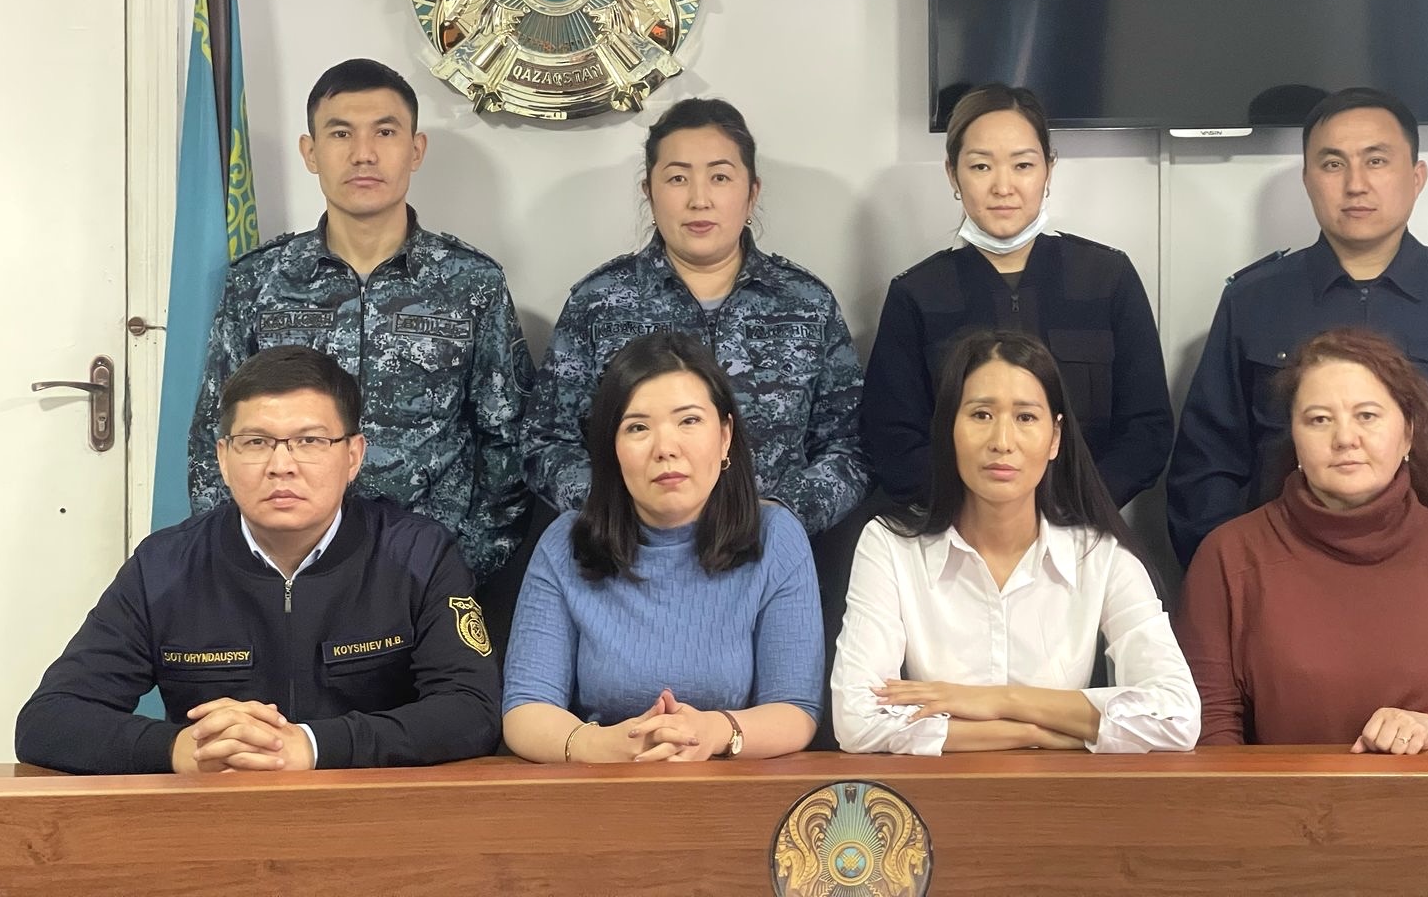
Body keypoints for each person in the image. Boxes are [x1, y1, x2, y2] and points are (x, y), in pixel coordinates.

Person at [1166, 87, 1428, 677]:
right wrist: (1224, 594)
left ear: (1417, 176)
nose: (1355, 183)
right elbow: (1205, 466)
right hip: (1284, 611)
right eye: (1333, 164)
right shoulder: (1254, 301)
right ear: (1308, 179)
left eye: (1376, 160)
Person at [16, 347, 501, 774]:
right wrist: (181, 749)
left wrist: (312, 746)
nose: (281, 465)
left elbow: (472, 710)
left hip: (372, 817)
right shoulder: (164, 566)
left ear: (353, 456)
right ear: (223, 459)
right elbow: (49, 720)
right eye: (256, 442)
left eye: (310, 441)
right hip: (215, 818)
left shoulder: (419, 555)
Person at [187, 58, 534, 594]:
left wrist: (459, 566)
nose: (363, 153)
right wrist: (248, 566)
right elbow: (216, 433)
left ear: (415, 150)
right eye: (341, 133)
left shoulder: (472, 283)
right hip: (285, 572)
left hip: (428, 569)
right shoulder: (259, 281)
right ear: (310, 152)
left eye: (385, 132)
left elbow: (506, 439)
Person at [831, 329, 1198, 755]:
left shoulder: (1099, 554)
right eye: (981, 415)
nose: (1002, 442)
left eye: (1025, 418)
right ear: (949, 429)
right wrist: (1033, 733)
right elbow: (857, 721)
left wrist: (1000, 700)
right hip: (936, 791)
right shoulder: (890, 546)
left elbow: (1178, 717)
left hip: (1058, 794)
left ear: (1055, 437)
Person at [1176, 328, 1428, 750]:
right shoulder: (1228, 557)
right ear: (1294, 437)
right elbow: (1209, 733)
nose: (1345, 439)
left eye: (1367, 416)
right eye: (1319, 419)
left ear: (1408, 433)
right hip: (1281, 794)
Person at [525, 97, 868, 535]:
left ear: (752, 193)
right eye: (677, 178)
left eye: (720, 177)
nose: (699, 199)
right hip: (631, 553)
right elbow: (546, 443)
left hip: (769, 552)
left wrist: (775, 517)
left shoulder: (806, 303)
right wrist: (626, 512)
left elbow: (850, 447)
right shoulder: (598, 303)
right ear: (649, 192)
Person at [502, 332, 822, 762]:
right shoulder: (566, 543)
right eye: (638, 427)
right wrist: (602, 745)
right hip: (600, 784)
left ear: (725, 436)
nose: (666, 449)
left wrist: (713, 732)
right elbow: (525, 709)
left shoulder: (776, 537)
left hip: (731, 785)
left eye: (689, 421)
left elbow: (796, 709)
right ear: (612, 449)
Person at [863, 83, 1172, 508]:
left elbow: (1147, 429)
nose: (1003, 186)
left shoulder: (1107, 277)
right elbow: (892, 442)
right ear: (953, 174)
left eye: (1023, 165)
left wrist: (1075, 509)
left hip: (1085, 522)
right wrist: (981, 514)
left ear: (1048, 170)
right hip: (956, 527)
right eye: (981, 166)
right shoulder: (915, 294)